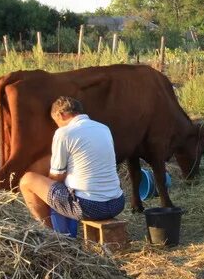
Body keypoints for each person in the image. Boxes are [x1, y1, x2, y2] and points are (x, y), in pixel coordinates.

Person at [18, 96, 125, 229]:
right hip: (117, 203)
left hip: (90, 207)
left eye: (56, 121)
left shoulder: (64, 133)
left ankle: (50, 233)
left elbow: (57, 177)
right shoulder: (104, 128)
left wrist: (47, 186)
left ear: (60, 115)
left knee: (27, 181)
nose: (57, 125)